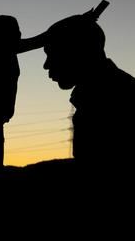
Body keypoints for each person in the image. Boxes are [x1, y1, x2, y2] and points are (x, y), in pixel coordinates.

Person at [43, 12, 135, 177]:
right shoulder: (108, 91)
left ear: (78, 52)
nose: (46, 65)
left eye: (52, 54)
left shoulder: (110, 99)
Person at [0, 15, 46, 173]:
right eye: (16, 30)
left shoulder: (7, 50)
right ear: (2, 33)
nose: (20, 34)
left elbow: (42, 39)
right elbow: (41, 39)